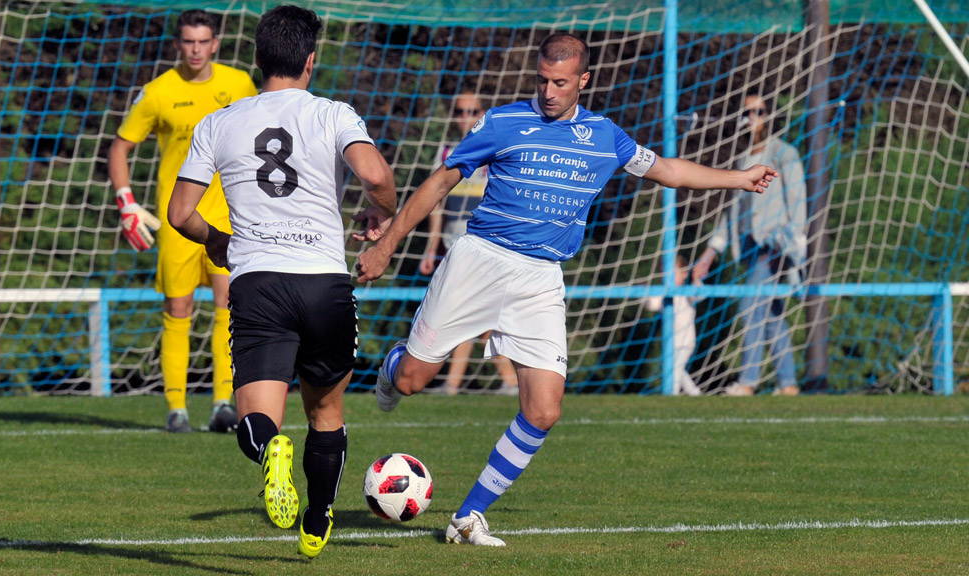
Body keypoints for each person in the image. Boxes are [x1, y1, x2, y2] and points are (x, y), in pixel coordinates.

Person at [355, 33, 778, 546]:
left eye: (560, 83)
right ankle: (393, 366)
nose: (550, 91)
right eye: (542, 81)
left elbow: (667, 170)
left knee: (544, 410)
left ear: (583, 80)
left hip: (541, 277)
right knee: (410, 383)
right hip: (480, 260)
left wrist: (739, 178)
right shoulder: (503, 121)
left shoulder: (605, 137)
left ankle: (467, 518)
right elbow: (440, 183)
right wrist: (388, 245)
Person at [167, 4, 396, 559]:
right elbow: (374, 175)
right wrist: (381, 213)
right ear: (310, 60)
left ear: (256, 59)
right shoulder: (334, 114)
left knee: (255, 420)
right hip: (323, 281)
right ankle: (316, 522)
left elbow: (179, 213)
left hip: (259, 282)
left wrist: (215, 239)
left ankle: (272, 450)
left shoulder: (219, 121)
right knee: (327, 415)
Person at [107, 9, 258, 433]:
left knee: (229, 306)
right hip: (177, 221)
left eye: (203, 41)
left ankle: (223, 405)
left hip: (227, 219)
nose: (195, 49)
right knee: (178, 307)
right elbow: (119, 148)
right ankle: (177, 409)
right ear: (178, 44)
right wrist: (126, 203)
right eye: (188, 41)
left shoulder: (239, 85)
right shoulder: (158, 91)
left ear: (215, 44)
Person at [692, 90, 807, 397]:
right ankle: (789, 384)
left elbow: (797, 204)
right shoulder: (742, 160)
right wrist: (710, 252)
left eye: (757, 112)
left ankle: (748, 381)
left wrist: (795, 246)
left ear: (769, 115)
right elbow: (731, 214)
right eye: (745, 113)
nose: (750, 119)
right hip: (750, 248)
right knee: (771, 315)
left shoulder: (784, 153)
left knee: (750, 306)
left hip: (775, 248)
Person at [420, 91, 518, 396]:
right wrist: (430, 246)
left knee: (468, 311)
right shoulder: (447, 151)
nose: (466, 117)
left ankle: (503, 380)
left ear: (483, 113)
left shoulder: (495, 148)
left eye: (472, 111)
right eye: (460, 111)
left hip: (485, 243)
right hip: (454, 242)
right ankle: (460, 383)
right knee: (468, 312)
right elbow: (437, 203)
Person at [644, 253, 703, 396]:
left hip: (685, 341)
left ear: (684, 274)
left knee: (674, 369)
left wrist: (696, 280)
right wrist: (643, 294)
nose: (666, 277)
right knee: (677, 369)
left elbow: (699, 295)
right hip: (670, 341)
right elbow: (652, 304)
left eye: (672, 273)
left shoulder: (686, 292)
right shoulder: (663, 293)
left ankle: (672, 394)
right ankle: (695, 393)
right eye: (663, 273)